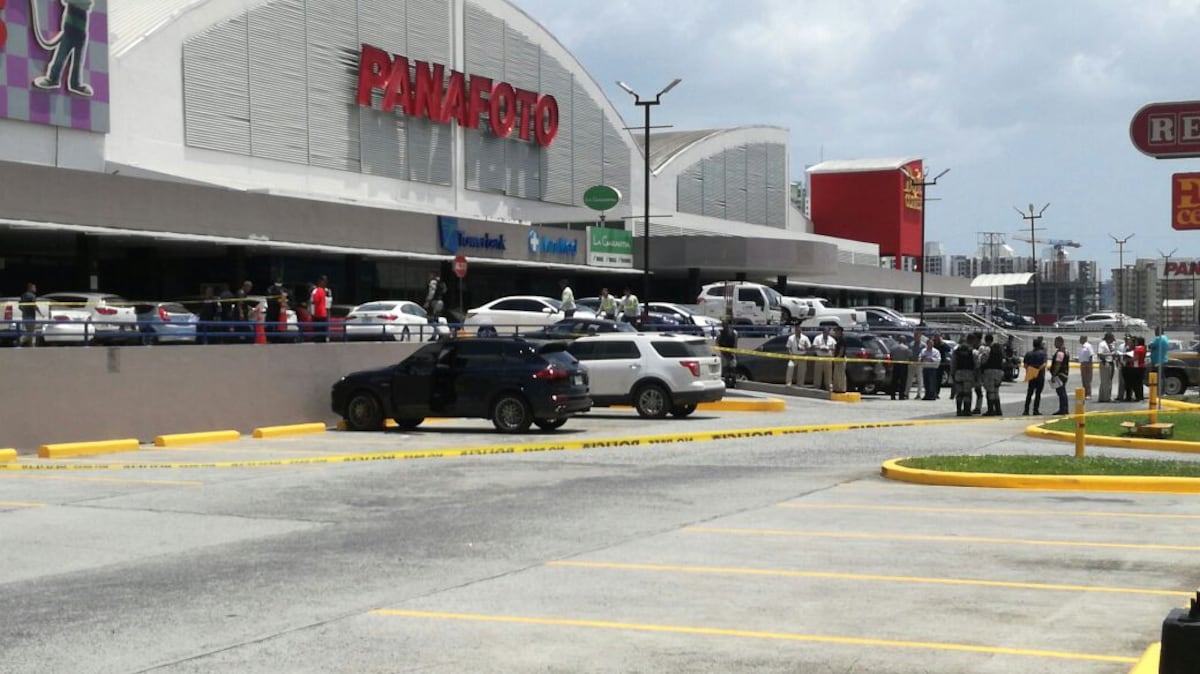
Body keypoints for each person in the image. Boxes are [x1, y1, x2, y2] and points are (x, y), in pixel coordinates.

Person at [951, 334, 978, 417]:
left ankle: (958, 410)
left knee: (959, 393)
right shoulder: (972, 351)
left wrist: (953, 373)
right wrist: (976, 373)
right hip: (969, 374)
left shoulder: (956, 350)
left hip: (959, 373)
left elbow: (953, 363)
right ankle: (967, 410)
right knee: (967, 393)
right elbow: (976, 363)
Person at [980, 334, 1005, 416]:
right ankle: (998, 410)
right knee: (996, 391)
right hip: (999, 372)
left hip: (989, 371)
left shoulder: (987, 349)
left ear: (986, 340)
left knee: (990, 391)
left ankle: (990, 410)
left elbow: (983, 360)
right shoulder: (999, 349)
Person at [1022, 337, 1047, 416]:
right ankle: (1035, 410)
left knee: (1029, 393)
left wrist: (1029, 370)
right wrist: (1038, 370)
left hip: (1031, 373)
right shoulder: (1043, 353)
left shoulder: (1028, 353)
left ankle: (1026, 410)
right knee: (1038, 393)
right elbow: (1044, 364)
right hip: (1039, 374)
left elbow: (1025, 365)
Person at [1049, 335, 1071, 415]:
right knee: (1062, 392)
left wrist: (1053, 375)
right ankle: (1063, 408)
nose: (1054, 344)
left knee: (1061, 392)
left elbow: (1058, 364)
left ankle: (1063, 409)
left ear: (1060, 342)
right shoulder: (1066, 351)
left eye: (1056, 342)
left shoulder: (1060, 352)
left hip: (1060, 375)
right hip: (1064, 374)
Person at [811, 326, 836, 391]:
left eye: (828, 332)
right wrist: (821, 348)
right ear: (823, 332)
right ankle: (816, 386)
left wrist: (828, 349)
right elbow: (813, 346)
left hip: (828, 357)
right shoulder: (817, 338)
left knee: (828, 373)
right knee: (817, 372)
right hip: (819, 357)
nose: (826, 334)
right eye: (825, 332)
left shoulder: (832, 339)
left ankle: (828, 386)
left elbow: (835, 348)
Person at [18, 282, 42, 347]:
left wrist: (25, 311)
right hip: (31, 317)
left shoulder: (23, 295)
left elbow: (19, 307)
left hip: (25, 316)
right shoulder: (32, 296)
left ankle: (31, 346)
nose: (35, 289)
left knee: (30, 332)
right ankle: (20, 340)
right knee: (31, 333)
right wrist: (40, 313)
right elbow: (34, 306)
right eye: (34, 287)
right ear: (30, 288)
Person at [716, 319, 739, 388]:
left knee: (732, 369)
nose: (724, 326)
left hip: (731, 352)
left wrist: (733, 352)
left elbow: (735, 343)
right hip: (724, 353)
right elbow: (717, 342)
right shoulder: (720, 333)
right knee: (726, 368)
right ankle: (727, 382)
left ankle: (733, 382)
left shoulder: (733, 333)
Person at [1149, 327, 1170, 393]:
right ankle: (1163, 391)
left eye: (1155, 331)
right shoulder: (1165, 338)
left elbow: (1150, 346)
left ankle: (1159, 391)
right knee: (1163, 376)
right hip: (1164, 360)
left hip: (1157, 361)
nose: (1155, 333)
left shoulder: (1158, 338)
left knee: (1157, 377)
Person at [907, 328, 926, 399]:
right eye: (915, 335)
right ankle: (907, 393)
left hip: (919, 364)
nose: (916, 337)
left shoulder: (923, 345)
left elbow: (924, 354)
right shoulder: (911, 344)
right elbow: (908, 353)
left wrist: (921, 361)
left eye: (918, 335)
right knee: (909, 379)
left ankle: (919, 394)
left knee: (920, 379)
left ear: (920, 336)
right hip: (911, 363)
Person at [1097, 332, 1115, 403]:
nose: (1112, 341)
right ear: (1108, 338)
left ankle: (1103, 397)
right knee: (1106, 381)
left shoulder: (1110, 345)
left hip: (1110, 362)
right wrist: (1110, 354)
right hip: (1105, 362)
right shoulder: (1102, 344)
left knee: (1107, 381)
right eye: (1112, 339)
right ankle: (1106, 397)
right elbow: (1100, 354)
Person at [311, 275, 330, 343]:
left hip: (320, 314)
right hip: (320, 314)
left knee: (319, 332)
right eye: (324, 281)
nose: (325, 283)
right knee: (321, 332)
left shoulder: (320, 290)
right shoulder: (320, 291)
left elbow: (315, 301)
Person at [1129, 336, 1147, 402]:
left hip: (1136, 366)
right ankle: (1140, 396)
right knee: (1140, 383)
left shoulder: (1137, 349)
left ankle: (1137, 396)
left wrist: (1128, 360)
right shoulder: (1144, 348)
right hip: (1142, 366)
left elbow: (1135, 358)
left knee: (1135, 383)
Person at [831, 326, 847, 394]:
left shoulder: (842, 339)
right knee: (836, 374)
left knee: (841, 374)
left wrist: (838, 357)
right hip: (837, 359)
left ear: (840, 331)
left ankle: (842, 389)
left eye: (836, 331)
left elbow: (842, 350)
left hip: (840, 359)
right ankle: (836, 388)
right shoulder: (838, 339)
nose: (835, 333)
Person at [1077, 335, 1095, 399]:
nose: (1079, 340)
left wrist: (1088, 365)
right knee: (1083, 380)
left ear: (1084, 339)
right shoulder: (1082, 347)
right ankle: (1085, 393)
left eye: (1081, 338)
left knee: (1087, 380)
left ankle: (1088, 394)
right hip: (1082, 364)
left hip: (1087, 364)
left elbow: (1091, 355)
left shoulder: (1088, 346)